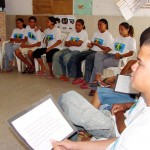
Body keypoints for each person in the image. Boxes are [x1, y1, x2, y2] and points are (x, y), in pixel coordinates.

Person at [51, 27, 150, 149]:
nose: (133, 66)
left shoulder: (143, 131)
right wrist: (125, 106)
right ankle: (74, 137)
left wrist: (119, 113)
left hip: (113, 126)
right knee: (69, 98)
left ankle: (75, 136)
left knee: (66, 100)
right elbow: (139, 107)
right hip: (112, 118)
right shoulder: (145, 98)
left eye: (139, 63)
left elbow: (122, 135)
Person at [89, 22, 136, 96]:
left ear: (128, 29)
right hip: (111, 55)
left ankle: (94, 87)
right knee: (98, 54)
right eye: (119, 29)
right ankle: (97, 78)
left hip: (119, 59)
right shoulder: (117, 38)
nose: (120, 31)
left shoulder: (131, 40)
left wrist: (121, 55)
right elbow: (110, 48)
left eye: (122, 29)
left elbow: (131, 53)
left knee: (98, 64)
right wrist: (103, 52)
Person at [71, 19, 114, 88]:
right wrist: (90, 45)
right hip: (91, 50)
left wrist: (97, 45)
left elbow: (108, 49)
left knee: (89, 59)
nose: (99, 26)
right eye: (98, 25)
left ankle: (87, 81)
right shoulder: (96, 33)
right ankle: (79, 76)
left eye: (101, 24)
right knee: (77, 56)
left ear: (106, 25)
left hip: (100, 53)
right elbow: (91, 44)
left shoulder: (108, 35)